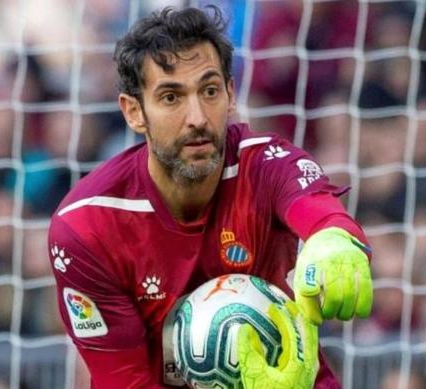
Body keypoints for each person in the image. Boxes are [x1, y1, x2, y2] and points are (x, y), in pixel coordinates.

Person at [47, 5, 373, 389]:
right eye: (171, 98)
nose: (198, 117)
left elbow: (322, 217)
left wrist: (333, 240)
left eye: (210, 90)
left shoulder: (265, 163)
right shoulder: (87, 227)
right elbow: (125, 381)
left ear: (231, 94)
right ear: (134, 112)